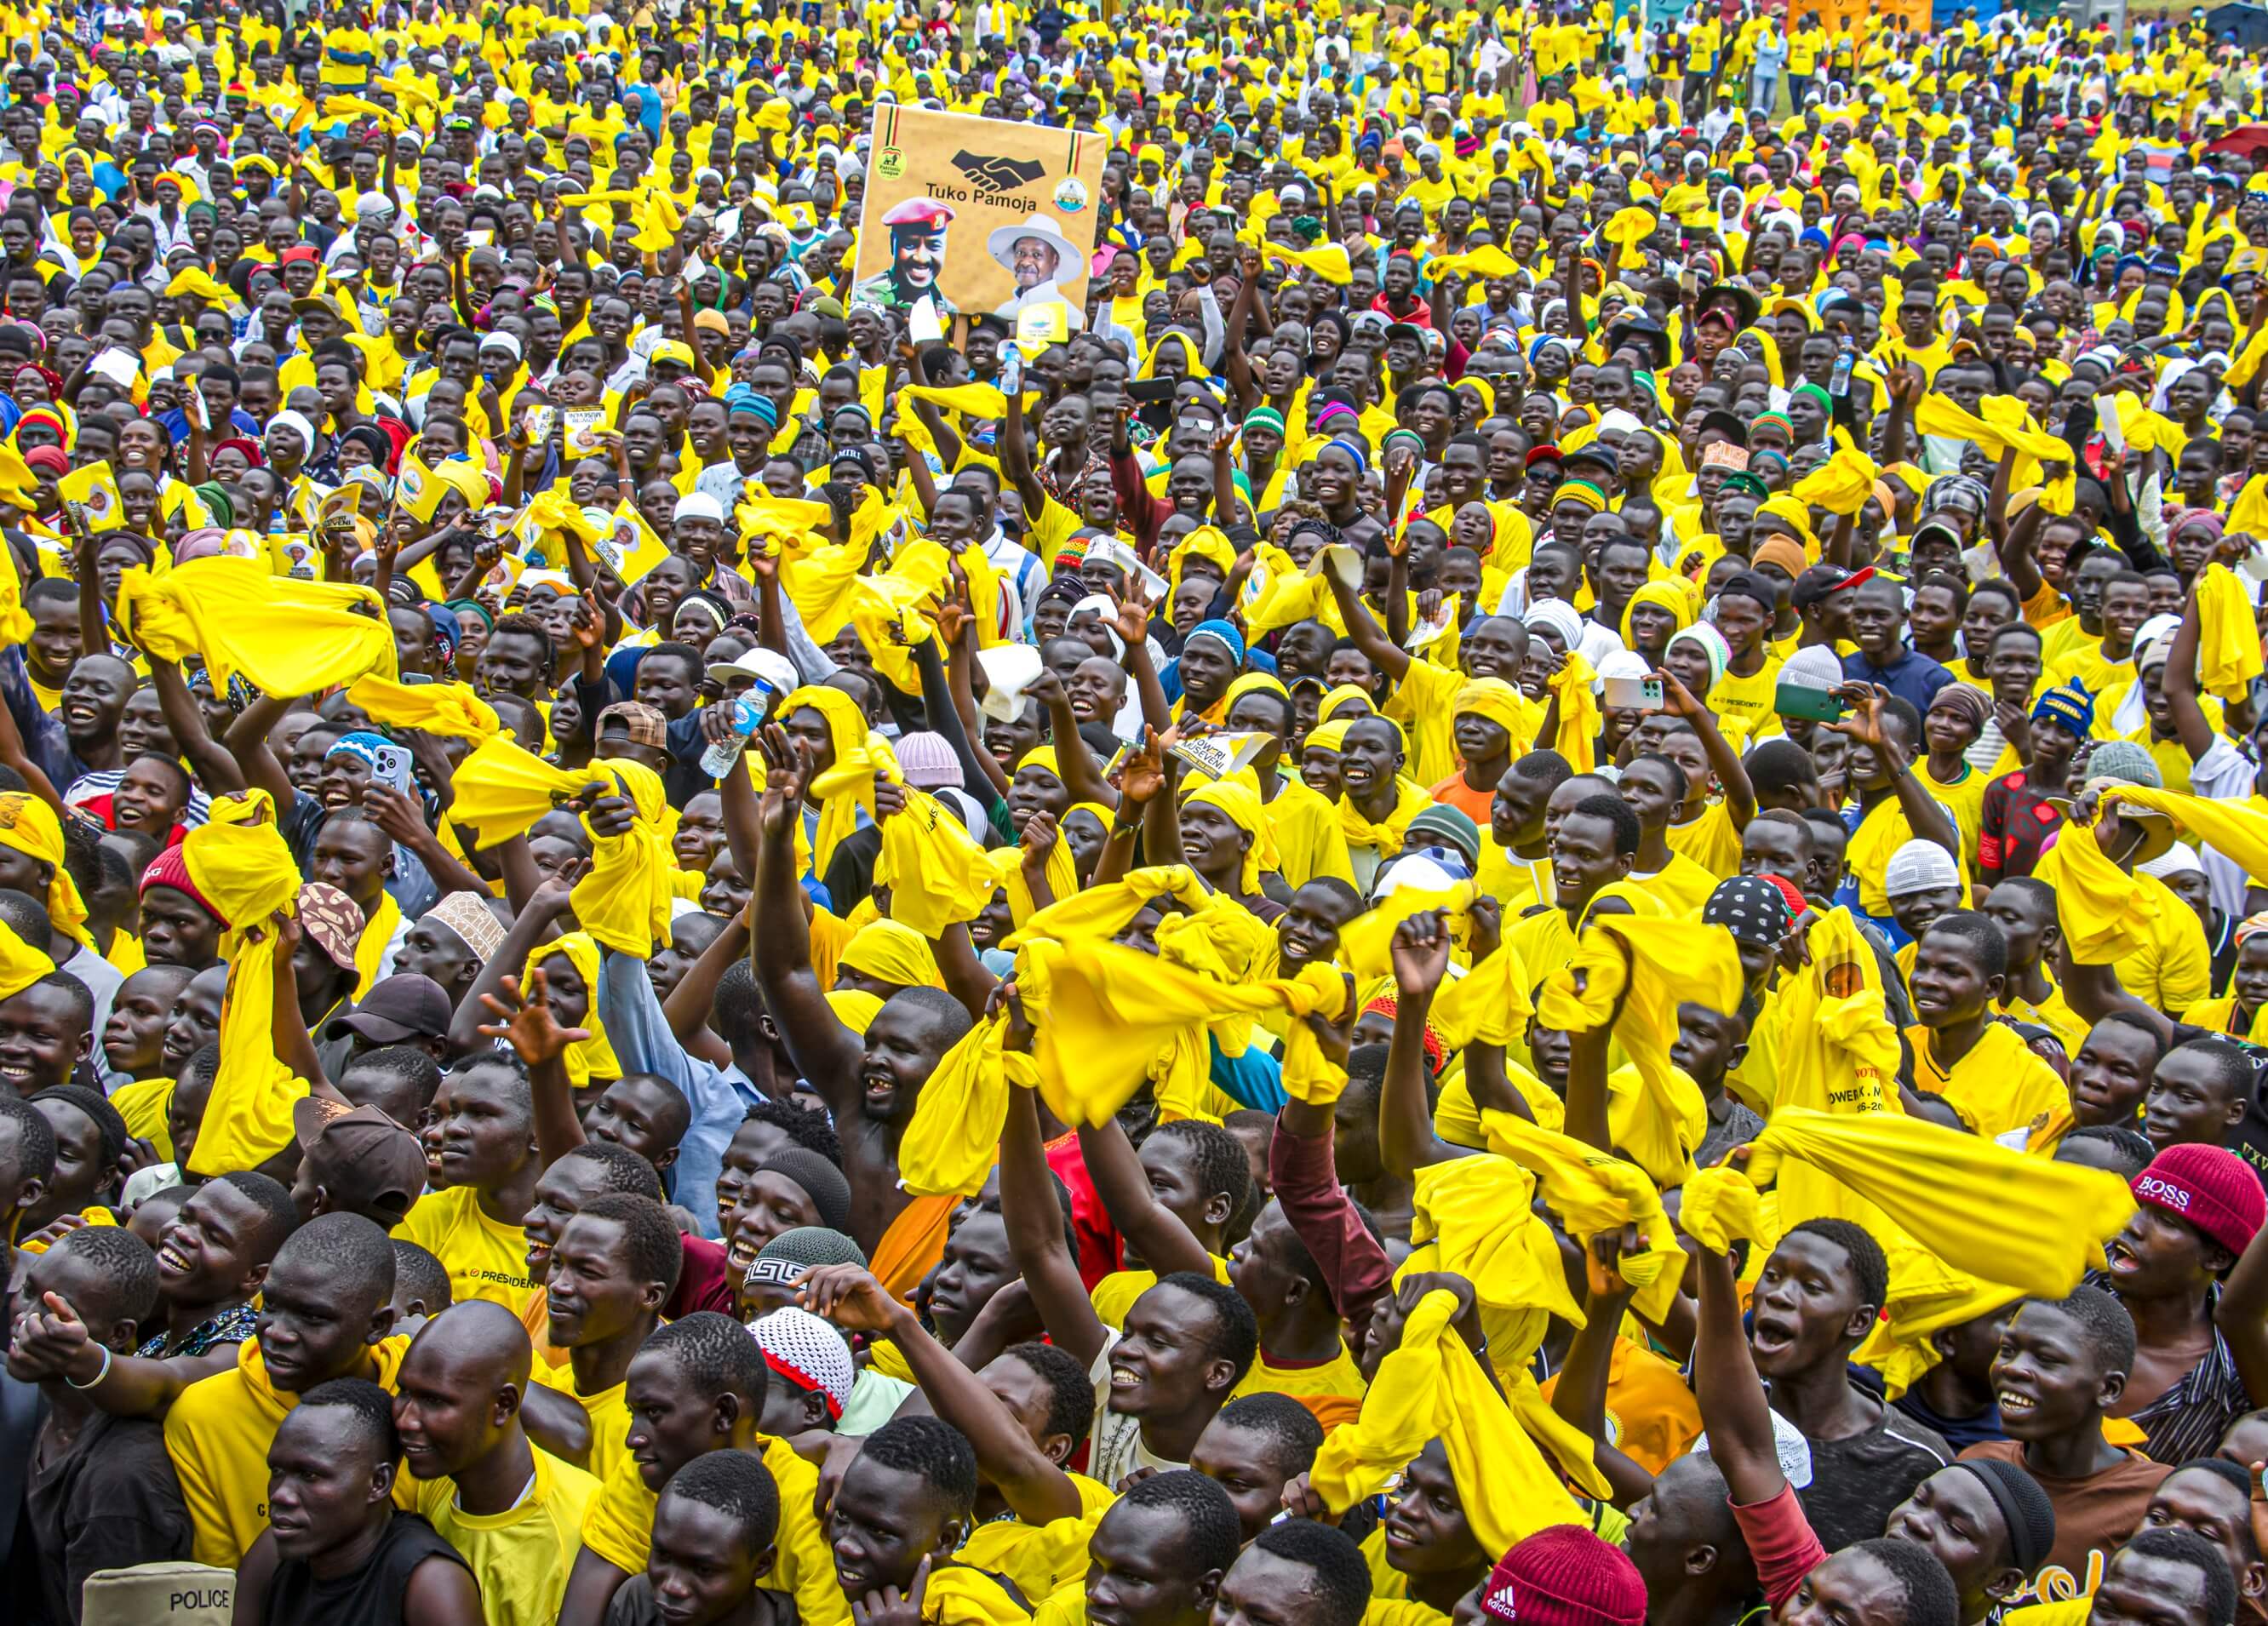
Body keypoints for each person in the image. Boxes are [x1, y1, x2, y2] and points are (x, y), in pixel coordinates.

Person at [392, 1299, 601, 1626]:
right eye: (404, 1392)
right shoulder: (431, 1475)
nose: (406, 1420)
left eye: (434, 1401)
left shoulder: (580, 1531)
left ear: (504, 1405)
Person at [230, 1376, 484, 1626]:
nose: (281, 1495)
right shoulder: (274, 1552)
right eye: (277, 1472)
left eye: (309, 1475)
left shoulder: (429, 1582)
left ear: (378, 1483)